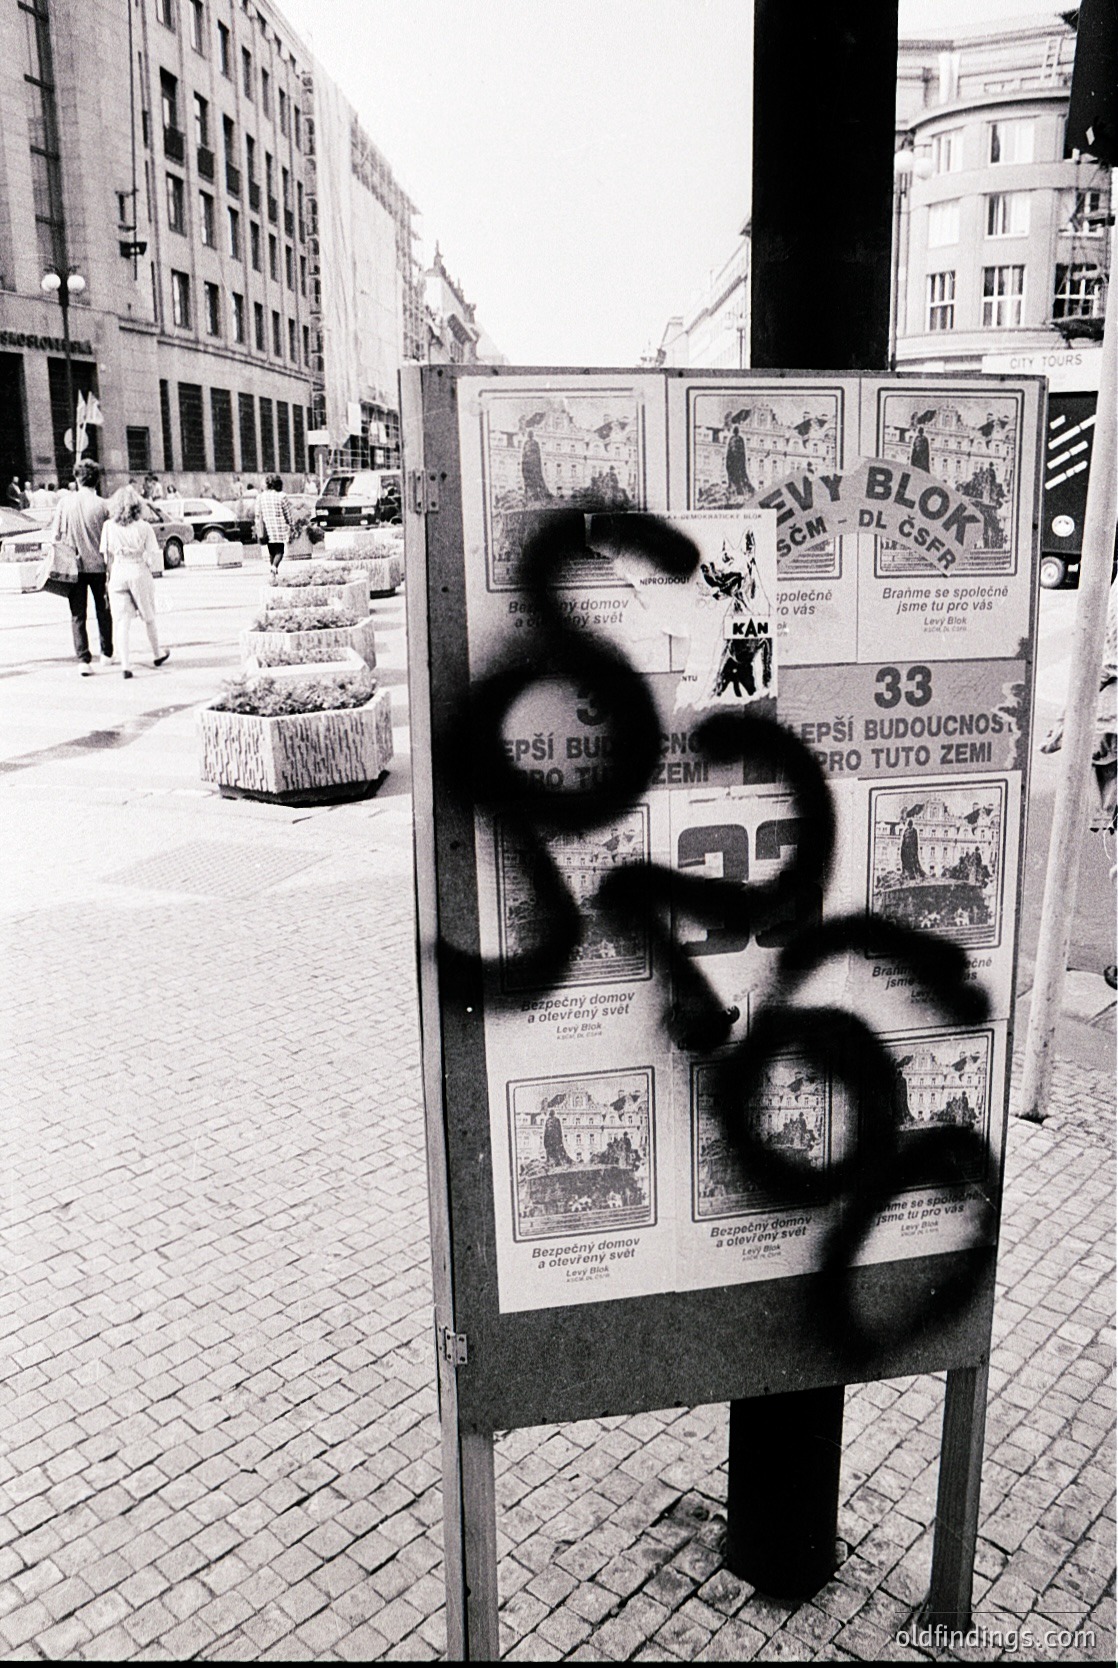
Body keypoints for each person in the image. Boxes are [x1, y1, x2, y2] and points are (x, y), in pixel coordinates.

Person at [50, 460, 113, 674]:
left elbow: (55, 536)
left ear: (77, 479)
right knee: (103, 610)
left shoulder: (64, 504)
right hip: (100, 567)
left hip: (74, 568)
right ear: (97, 480)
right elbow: (111, 539)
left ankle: (83, 660)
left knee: (78, 614)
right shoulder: (104, 505)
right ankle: (106, 653)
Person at [100, 485, 169, 679]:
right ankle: (157, 653)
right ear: (137, 506)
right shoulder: (144, 526)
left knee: (122, 621)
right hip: (138, 569)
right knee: (149, 616)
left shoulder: (108, 526)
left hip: (118, 572)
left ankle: (125, 665)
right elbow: (153, 555)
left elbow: (107, 558)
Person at [254, 473, 291, 570]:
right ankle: (274, 568)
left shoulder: (260, 497)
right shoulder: (282, 496)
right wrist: (290, 523)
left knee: (271, 551)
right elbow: (287, 513)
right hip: (278, 528)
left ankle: (273, 573)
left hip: (266, 528)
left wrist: (257, 527)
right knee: (280, 552)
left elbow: (257, 514)